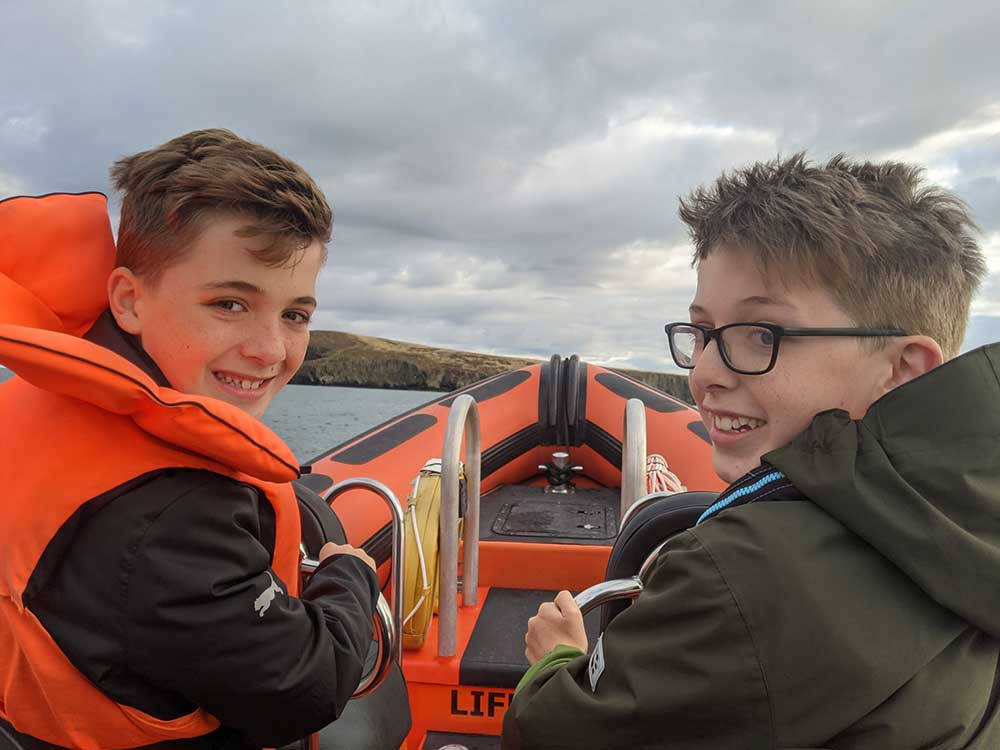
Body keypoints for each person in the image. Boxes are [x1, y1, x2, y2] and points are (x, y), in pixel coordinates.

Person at [502, 154, 1000, 749]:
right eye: (704, 334)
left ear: (901, 369)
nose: (705, 373)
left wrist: (555, 660)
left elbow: (551, 737)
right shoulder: (973, 520)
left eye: (761, 334)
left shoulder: (733, 580)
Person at [0, 129, 381, 749]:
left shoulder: (35, 397)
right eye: (230, 304)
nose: (270, 350)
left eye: (296, 314)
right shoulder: (175, 518)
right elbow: (302, 690)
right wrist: (349, 577)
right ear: (128, 300)